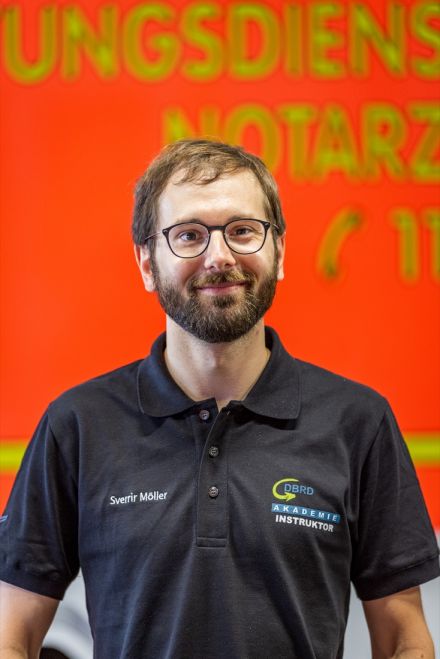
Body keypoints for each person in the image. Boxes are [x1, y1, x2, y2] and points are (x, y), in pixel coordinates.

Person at [0, 139, 438, 659]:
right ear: (147, 263)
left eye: (243, 230)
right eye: (189, 235)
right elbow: (12, 634)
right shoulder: (78, 425)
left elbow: (404, 638)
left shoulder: (358, 422)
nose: (220, 256)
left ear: (279, 252)